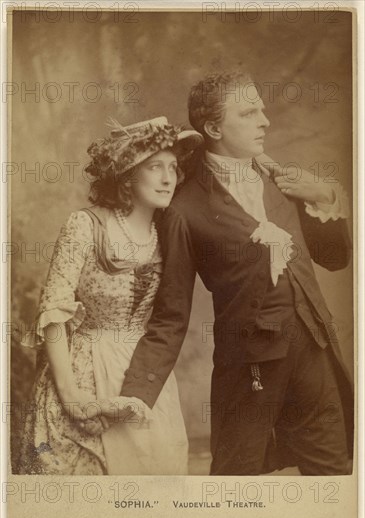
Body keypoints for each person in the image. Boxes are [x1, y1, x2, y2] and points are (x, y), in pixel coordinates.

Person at [120, 72, 354, 475]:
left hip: (314, 350)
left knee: (331, 479)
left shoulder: (282, 180)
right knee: (235, 482)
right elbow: (172, 315)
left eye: (262, 109)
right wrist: (136, 393)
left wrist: (325, 196)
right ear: (213, 127)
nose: (265, 120)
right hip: (251, 367)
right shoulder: (184, 210)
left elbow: (335, 259)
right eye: (249, 112)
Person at [18, 116, 203, 475]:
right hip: (83, 369)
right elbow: (53, 311)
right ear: (127, 175)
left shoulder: (168, 232)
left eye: (173, 167)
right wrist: (71, 397)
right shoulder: (85, 225)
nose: (169, 178)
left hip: (146, 373)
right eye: (155, 167)